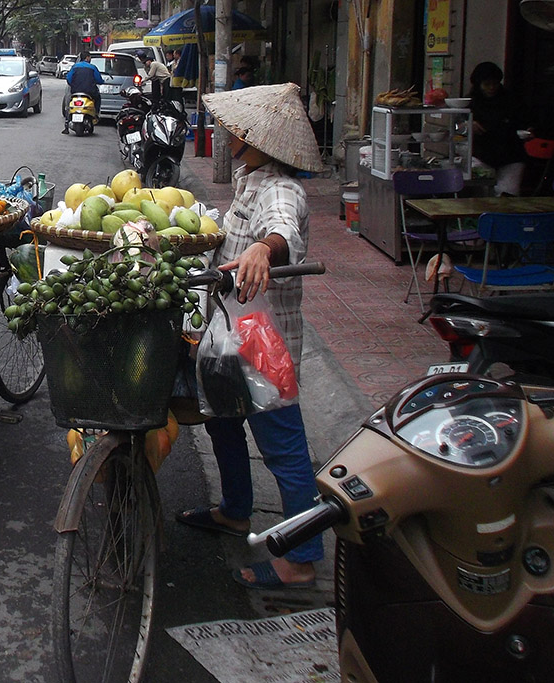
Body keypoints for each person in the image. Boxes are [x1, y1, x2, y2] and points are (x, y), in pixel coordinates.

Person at [175, 83, 327, 591]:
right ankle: (236, 511)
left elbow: (281, 230)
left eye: (238, 129)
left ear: (259, 138)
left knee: (282, 446)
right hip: (231, 333)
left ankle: (301, 558)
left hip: (266, 342)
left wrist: (265, 248)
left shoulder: (280, 188)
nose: (229, 132)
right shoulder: (250, 177)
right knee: (222, 422)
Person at [468, 61, 529, 196]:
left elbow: (524, 121)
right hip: (481, 154)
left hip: (511, 155)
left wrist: (527, 131)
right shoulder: (470, 102)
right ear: (479, 84)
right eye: (487, 84)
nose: (491, 88)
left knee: (507, 194)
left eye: (495, 84)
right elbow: (458, 124)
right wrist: (467, 125)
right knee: (482, 195)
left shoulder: (511, 100)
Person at [61, 51, 103, 135]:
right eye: (90, 57)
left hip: (76, 91)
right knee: (98, 98)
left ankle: (66, 123)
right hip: (90, 92)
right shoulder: (93, 67)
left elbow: (69, 79)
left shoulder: (75, 67)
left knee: (69, 104)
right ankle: (96, 114)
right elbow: (99, 80)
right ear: (87, 57)